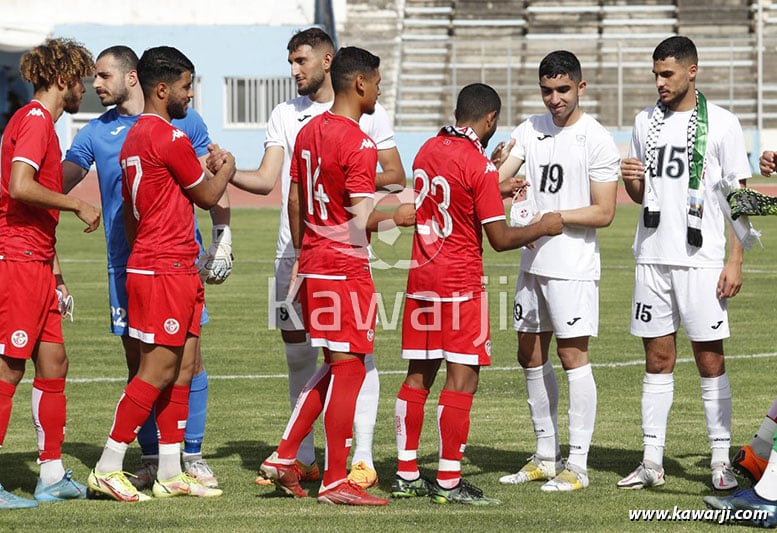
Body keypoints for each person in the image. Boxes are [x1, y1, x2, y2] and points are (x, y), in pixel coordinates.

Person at [230, 27, 405, 489]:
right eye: (378, 82)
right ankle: (329, 474)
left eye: (300, 60)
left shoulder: (308, 132)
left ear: (330, 65)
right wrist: (407, 213)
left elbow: (293, 197)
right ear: (361, 84)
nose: (294, 71)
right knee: (347, 362)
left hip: (310, 258)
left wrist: (306, 250)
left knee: (333, 363)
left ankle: (299, 455)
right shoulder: (355, 140)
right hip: (343, 262)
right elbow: (363, 216)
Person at [62, 45, 230, 489]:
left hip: (171, 263)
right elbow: (209, 195)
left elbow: (133, 214)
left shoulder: (136, 136)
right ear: (162, 88)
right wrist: (225, 168)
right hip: (164, 266)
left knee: (185, 365)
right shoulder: (166, 137)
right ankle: (108, 464)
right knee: (154, 370)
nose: (189, 95)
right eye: (185, 87)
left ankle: (172, 471)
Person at [390, 83, 564, 505]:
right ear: (490, 120)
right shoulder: (477, 165)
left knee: (419, 375)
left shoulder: (427, 149)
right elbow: (501, 238)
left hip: (422, 281)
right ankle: (449, 481)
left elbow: (446, 196)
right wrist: (543, 226)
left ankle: (406, 472)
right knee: (462, 378)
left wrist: (492, 180)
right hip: (460, 284)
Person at [617, 35, 750, 491]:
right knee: (657, 359)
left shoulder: (724, 125)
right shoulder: (643, 121)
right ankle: (651, 460)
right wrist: (631, 181)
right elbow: (641, 197)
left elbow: (740, 198)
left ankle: (719, 459)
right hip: (653, 257)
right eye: (655, 74)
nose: (659, 82)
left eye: (667, 74)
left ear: (692, 71)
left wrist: (735, 260)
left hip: (702, 260)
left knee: (709, 360)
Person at [494, 51, 619, 492]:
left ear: (580, 88)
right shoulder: (529, 128)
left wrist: (551, 219)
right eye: (547, 90)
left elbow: (604, 212)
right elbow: (497, 181)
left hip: (573, 266)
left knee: (572, 357)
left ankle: (578, 464)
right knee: (528, 353)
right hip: (532, 262)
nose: (554, 99)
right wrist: (492, 166)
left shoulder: (597, 138)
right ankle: (546, 455)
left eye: (562, 90)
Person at [0, 37, 100, 509]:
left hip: (37, 261)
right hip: (16, 261)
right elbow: (20, 188)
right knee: (8, 367)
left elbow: (36, 210)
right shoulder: (37, 122)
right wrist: (77, 201)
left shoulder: (41, 124)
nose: (84, 87)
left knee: (54, 362)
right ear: (63, 78)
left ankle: (53, 474)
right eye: (80, 79)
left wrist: (56, 273)